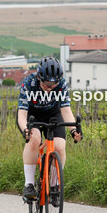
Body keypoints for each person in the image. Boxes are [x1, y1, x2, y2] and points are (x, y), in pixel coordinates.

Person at [16, 56, 82, 201]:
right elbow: (22, 114)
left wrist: (73, 129)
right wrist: (25, 129)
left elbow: (65, 110)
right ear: (39, 78)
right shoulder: (28, 83)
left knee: (59, 146)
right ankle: (29, 185)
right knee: (34, 139)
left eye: (54, 84)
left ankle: (54, 186)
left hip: (53, 114)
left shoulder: (61, 84)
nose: (50, 87)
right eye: (46, 84)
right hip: (32, 115)